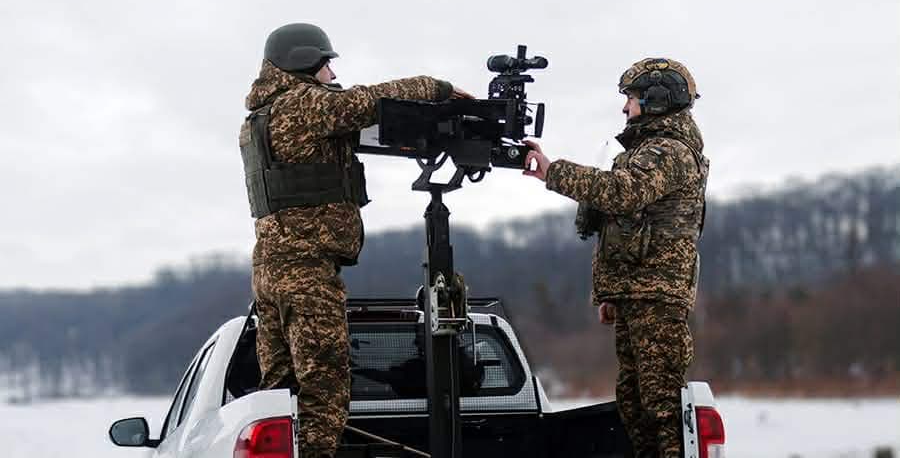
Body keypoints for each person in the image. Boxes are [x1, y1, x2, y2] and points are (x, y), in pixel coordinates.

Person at [239, 23, 471, 458]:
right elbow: (367, 101)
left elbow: (338, 134)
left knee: (280, 390)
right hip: (306, 270)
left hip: (270, 269)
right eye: (326, 64)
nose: (331, 73)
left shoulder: (260, 119)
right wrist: (437, 88)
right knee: (324, 389)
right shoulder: (304, 104)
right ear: (304, 62)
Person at [522, 57, 709, 458]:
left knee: (661, 406)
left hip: (656, 296)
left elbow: (622, 193)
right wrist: (610, 293)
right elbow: (618, 227)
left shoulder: (670, 151)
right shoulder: (647, 149)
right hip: (636, 293)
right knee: (634, 403)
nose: (626, 108)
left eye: (632, 98)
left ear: (658, 100)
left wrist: (552, 171)